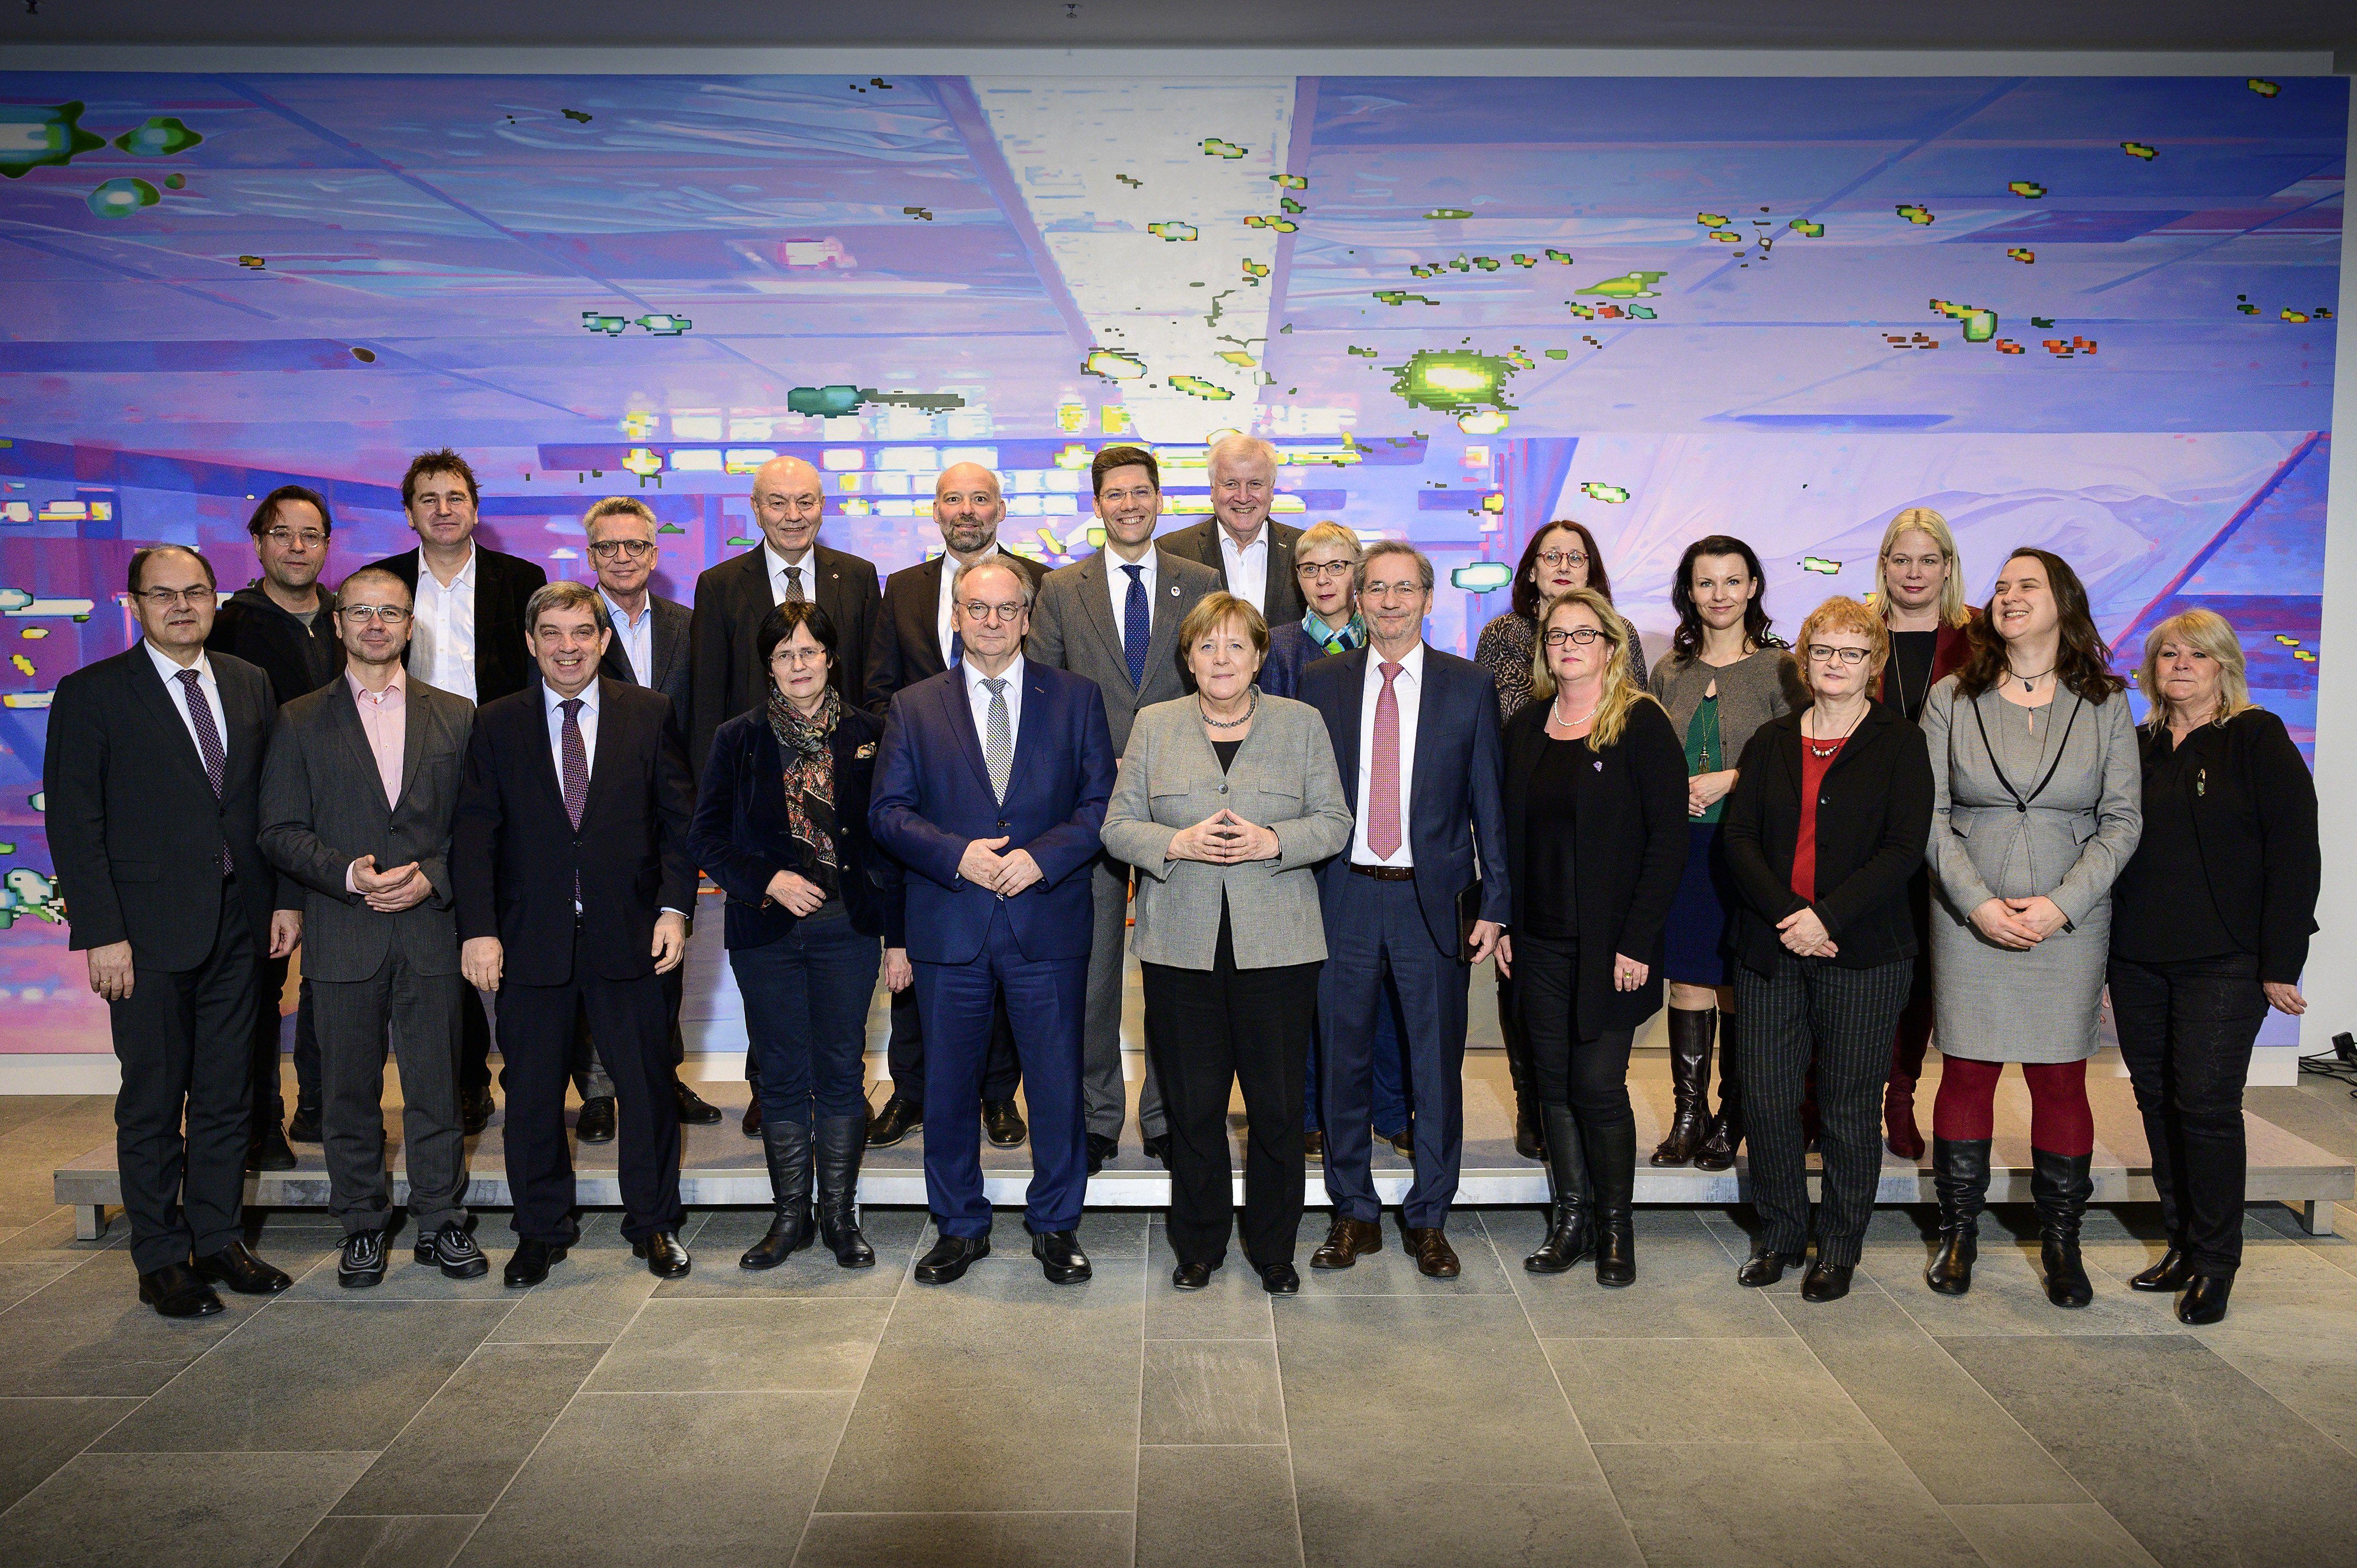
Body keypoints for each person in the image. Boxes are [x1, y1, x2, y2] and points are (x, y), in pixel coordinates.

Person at [45, 545, 297, 1317]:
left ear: (216, 599)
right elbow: (74, 824)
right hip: (144, 934)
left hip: (240, 921)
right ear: (135, 604)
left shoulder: (249, 682)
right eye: (163, 594)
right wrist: (102, 933)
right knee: (154, 1099)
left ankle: (218, 1239)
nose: (182, 606)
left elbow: (267, 803)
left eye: (195, 592)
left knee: (227, 1094)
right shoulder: (91, 693)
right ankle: (160, 1256)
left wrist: (283, 900)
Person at [870, 557, 1116, 1286]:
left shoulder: (1075, 698)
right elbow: (887, 812)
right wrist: (957, 857)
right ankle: (959, 1225)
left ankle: (1056, 1225)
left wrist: (1040, 859)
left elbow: (1102, 806)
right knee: (947, 1088)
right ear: (955, 614)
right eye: (978, 608)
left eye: (1008, 609)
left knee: (1056, 1085)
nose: (992, 621)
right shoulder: (915, 706)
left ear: (1028, 618)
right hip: (953, 925)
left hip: (1047, 920)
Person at [1104, 594, 1352, 1295]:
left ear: (1259, 657)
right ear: (1189, 659)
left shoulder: (1301, 724)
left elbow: (1334, 821)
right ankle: (1200, 1243)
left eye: (1235, 646)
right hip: (1179, 947)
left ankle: (1274, 1247)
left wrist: (1275, 840)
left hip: (1279, 948)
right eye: (1207, 647)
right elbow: (1118, 827)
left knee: (1277, 1109)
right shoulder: (1153, 726)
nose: (1221, 659)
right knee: (1194, 1107)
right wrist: (1173, 842)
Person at [452, 582, 698, 1286]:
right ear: (531, 643)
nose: (569, 647)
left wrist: (675, 910)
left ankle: (653, 1225)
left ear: (603, 639)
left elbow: (679, 826)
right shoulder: (496, 723)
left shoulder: (649, 714)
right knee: (531, 1092)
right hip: (530, 939)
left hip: (633, 937)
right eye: (553, 634)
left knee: (646, 1089)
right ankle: (540, 1230)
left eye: (582, 632)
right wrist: (479, 931)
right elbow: (475, 835)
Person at [1920, 549, 2141, 1308]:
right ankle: (1959, 1233)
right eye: (2002, 586)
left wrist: (2062, 904)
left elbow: (2121, 821)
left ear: (2063, 602)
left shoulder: (2106, 701)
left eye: (2028, 586)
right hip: (1966, 913)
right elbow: (1930, 813)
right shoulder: (1953, 696)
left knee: (2060, 1076)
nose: (2009, 597)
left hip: (2069, 920)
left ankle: (2062, 1241)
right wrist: (1977, 902)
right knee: (1968, 1072)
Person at [257, 567, 484, 1286]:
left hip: (429, 931)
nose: (377, 624)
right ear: (338, 622)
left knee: (436, 1086)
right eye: (362, 612)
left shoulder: (456, 714)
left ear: (411, 625)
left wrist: (433, 875)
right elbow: (279, 829)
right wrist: (347, 875)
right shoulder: (297, 719)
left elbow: (476, 830)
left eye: (391, 612)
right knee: (349, 1091)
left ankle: (442, 1219)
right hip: (343, 929)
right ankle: (361, 1223)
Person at [1298, 542, 1509, 1279]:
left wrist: (1499, 903)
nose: (1389, 602)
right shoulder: (1320, 683)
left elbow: (1489, 799)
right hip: (1342, 896)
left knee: (1434, 1068)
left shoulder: (1468, 684)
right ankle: (1352, 1212)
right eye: (1376, 589)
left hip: (1433, 902)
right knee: (1341, 1063)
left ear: (1428, 598)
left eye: (1404, 589)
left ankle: (1430, 1217)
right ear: (1357, 599)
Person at [1720, 597, 1934, 1303]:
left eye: (1851, 652)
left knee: (1846, 1107)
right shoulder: (1772, 741)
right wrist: (1789, 915)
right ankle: (1781, 1235)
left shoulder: (1900, 742)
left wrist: (1827, 917)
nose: (1835, 664)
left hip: (1865, 951)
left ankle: (1839, 1246)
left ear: (1874, 665)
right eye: (1823, 651)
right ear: (1804, 661)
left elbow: (1904, 850)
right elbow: (1739, 841)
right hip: (1772, 947)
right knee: (1771, 1099)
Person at [2108, 609, 2318, 1325]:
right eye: (2169, 654)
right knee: (2158, 1099)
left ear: (2224, 664)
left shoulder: (2256, 738)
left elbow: (2296, 854)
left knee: (2204, 1103)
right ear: (2151, 667)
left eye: (2199, 654)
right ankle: (2182, 1245)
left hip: (2226, 960)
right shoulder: (2135, 746)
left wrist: (2281, 960)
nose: (2182, 665)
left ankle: (2217, 1262)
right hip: (2137, 956)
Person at [1027, 445, 1221, 1172]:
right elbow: (1043, 692)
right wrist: (1091, 768)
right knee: (1092, 978)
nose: (1130, 504)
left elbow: (1218, 683)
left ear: (1159, 498)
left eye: (1142, 492)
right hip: (1089, 813)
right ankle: (1097, 1116)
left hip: (1180, 810)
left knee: (1173, 977)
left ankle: (1170, 1116)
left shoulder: (1199, 581)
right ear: (1099, 504)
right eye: (1116, 494)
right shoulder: (1059, 587)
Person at [692, 601, 903, 1271]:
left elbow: (892, 838)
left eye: (809, 651)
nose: (798, 664)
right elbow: (706, 837)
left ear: (831, 658)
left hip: (848, 929)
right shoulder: (739, 736)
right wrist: (769, 880)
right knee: (781, 1076)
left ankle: (840, 1218)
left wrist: (897, 937)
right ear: (770, 666)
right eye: (784, 654)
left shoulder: (873, 731)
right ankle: (790, 1219)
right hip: (767, 932)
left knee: (842, 1070)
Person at [689, 454, 882, 1136]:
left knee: (839, 973)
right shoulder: (719, 584)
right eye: (778, 502)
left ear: (822, 505)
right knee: (768, 968)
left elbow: (869, 683)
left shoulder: (856, 579)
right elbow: (708, 694)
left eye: (806, 501)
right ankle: (769, 1087)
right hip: (757, 811)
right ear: (755, 507)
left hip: (837, 794)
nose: (793, 514)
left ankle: (843, 1091)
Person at [1499, 590, 1685, 1288]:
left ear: (1612, 646)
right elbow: (1508, 839)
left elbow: (1667, 844)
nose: (1568, 645)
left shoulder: (1640, 724)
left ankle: (1615, 1228)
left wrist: (1638, 941)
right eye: (1556, 636)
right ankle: (1570, 1221)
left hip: (1613, 948)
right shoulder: (1525, 729)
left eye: (1584, 634)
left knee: (1597, 1087)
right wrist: (1508, 922)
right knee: (1552, 1089)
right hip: (1538, 944)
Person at [362, 448, 549, 1135]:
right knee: (440, 926)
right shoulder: (379, 584)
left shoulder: (520, 579)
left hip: (503, 763)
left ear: (476, 506)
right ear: (409, 511)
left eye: (456, 496)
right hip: (411, 771)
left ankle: (529, 1070)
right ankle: (464, 1080)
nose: (444, 508)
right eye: (429, 498)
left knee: (517, 915)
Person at [859, 464, 1040, 1153]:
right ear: (935, 509)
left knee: (1002, 953)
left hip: (1012, 801)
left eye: (980, 499)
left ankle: (999, 1094)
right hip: (922, 809)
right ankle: (911, 1089)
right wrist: (918, 751)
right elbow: (878, 690)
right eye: (953, 499)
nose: (967, 511)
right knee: (917, 953)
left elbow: (1045, 682)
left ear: (1001, 508)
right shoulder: (902, 587)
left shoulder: (1038, 582)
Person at [1474, 518, 1648, 1161]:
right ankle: (1534, 1106)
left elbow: (1634, 725)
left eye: (1577, 555)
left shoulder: (1620, 635)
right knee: (1523, 988)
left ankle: (1583, 1119)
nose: (1564, 564)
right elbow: (1485, 725)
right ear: (1531, 570)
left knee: (1593, 1047)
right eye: (1552, 556)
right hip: (1520, 811)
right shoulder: (1502, 636)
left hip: (1596, 830)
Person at [1645, 536, 1798, 1172]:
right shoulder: (1668, 672)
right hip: (1682, 849)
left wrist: (1729, 781)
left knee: (1735, 981)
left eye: (1732, 582)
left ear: (1753, 587)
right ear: (1689, 591)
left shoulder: (1780, 668)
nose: (1719, 595)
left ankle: (1733, 1112)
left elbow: (1793, 759)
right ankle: (1689, 1113)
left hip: (1746, 847)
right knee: (1688, 977)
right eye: (1706, 583)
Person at [1255, 521, 1405, 1163]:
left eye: (1337, 566)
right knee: (1312, 986)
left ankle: (1391, 1108)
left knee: (1386, 986)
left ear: (1358, 575)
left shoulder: (1388, 641)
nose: (1323, 579)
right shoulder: (1276, 645)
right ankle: (1314, 1110)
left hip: (1377, 838)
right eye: (1310, 568)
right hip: (1300, 835)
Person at [575, 498, 722, 1137]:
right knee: (590, 955)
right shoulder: (570, 627)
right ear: (592, 557)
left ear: (654, 554)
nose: (623, 557)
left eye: (635, 545)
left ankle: (660, 1074)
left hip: (670, 813)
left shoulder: (687, 625)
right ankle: (600, 1090)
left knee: (667, 950)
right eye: (608, 547)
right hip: (592, 813)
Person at [207, 485, 344, 1168]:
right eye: (283, 534)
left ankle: (322, 1108)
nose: (297, 547)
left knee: (339, 970)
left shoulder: (353, 615)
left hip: (346, 823)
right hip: (262, 824)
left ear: (327, 543)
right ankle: (261, 1121)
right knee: (258, 981)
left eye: (311, 534)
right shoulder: (229, 623)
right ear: (258, 541)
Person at [1867, 507, 1976, 1160]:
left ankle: (1900, 1095)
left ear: (1947, 568)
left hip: (1951, 832)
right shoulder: (1855, 633)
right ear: (1883, 566)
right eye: (1901, 559)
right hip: (1867, 832)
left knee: (1922, 976)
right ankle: (1827, 1095)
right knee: (1853, 967)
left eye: (1927, 560)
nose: (1914, 573)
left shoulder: (1978, 641)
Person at [1158, 433, 1305, 626]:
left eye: (1255, 484)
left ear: (1271, 489)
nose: (1243, 497)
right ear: (1212, 489)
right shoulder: (1170, 552)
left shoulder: (1303, 550)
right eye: (1231, 484)